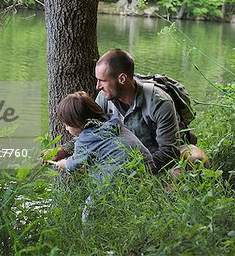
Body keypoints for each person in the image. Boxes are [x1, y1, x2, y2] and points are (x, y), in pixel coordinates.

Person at [52, 91, 155, 222]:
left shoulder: (86, 139)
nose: (66, 128)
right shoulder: (112, 123)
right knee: (131, 208)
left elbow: (74, 164)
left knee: (90, 209)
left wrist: (63, 163)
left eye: (67, 124)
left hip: (120, 177)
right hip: (147, 168)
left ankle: (88, 239)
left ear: (78, 122)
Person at [94, 49, 180, 173]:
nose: (97, 86)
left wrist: (133, 171)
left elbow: (169, 152)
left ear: (122, 78)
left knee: (188, 165)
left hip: (156, 162)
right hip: (125, 164)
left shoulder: (159, 103)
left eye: (102, 81)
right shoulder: (104, 98)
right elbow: (91, 131)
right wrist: (65, 150)